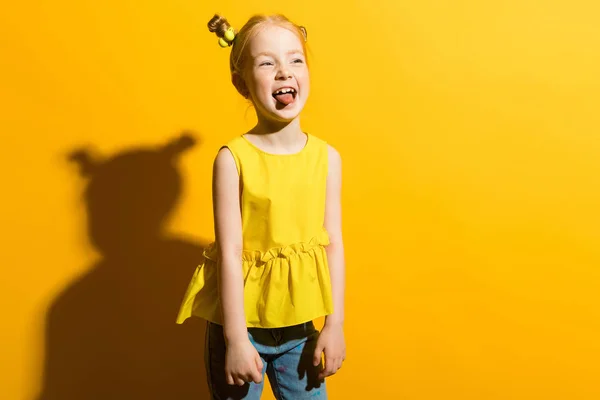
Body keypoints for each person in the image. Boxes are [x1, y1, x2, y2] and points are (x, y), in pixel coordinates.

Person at [176, 13, 346, 399]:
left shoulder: (327, 158)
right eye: (267, 63)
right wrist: (236, 340)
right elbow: (231, 253)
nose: (284, 72)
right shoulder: (232, 159)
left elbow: (333, 243)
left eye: (295, 60)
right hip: (239, 326)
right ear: (242, 83)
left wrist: (334, 324)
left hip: (300, 328)